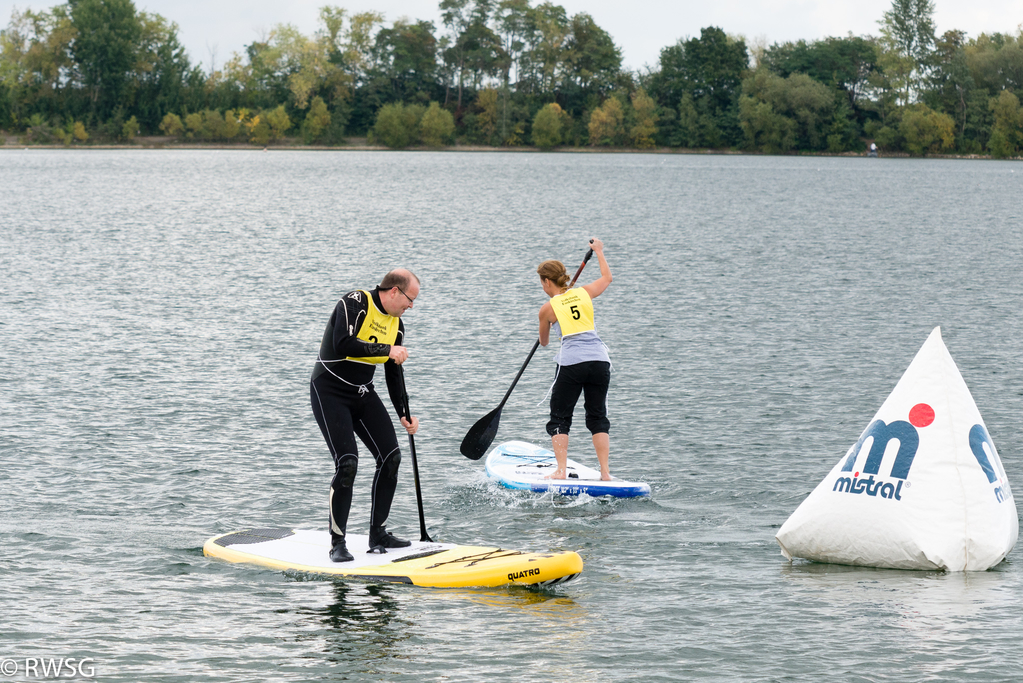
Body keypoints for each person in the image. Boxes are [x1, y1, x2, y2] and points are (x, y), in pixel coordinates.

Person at [310, 269, 420, 562]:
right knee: (347, 463)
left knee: (391, 457)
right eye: (410, 300)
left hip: (362, 391)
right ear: (394, 291)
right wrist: (387, 350)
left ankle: (378, 533)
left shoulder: (396, 325)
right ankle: (337, 543)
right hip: (329, 390)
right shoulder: (355, 302)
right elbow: (342, 343)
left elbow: (393, 373)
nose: (411, 306)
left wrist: (404, 414)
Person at [536, 238, 613, 481]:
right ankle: (605, 473)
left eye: (541, 283)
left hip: (571, 363)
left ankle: (560, 471)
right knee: (597, 416)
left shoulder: (548, 308)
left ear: (547, 281)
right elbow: (607, 279)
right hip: (600, 361)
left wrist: (546, 323)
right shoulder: (584, 292)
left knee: (560, 417)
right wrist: (599, 251)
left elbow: (545, 342)